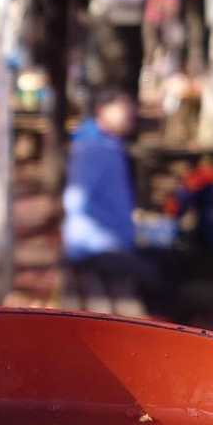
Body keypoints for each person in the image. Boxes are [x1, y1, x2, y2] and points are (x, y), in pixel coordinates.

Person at [61, 87, 151, 316]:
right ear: (102, 111)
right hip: (97, 249)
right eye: (122, 107)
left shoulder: (110, 144)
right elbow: (76, 200)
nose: (130, 113)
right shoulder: (93, 147)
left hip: (110, 245)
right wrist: (104, 236)